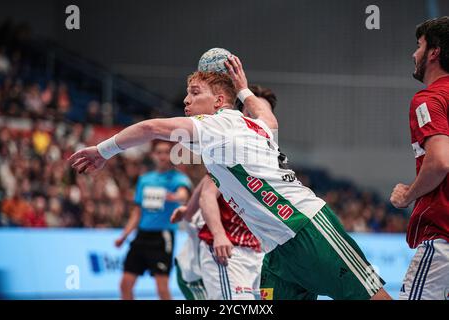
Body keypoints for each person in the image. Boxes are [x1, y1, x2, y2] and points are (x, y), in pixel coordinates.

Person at [69, 55, 390, 300]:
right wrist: (244, 88)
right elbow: (267, 116)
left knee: (372, 296)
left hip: (307, 227)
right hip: (277, 251)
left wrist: (103, 151)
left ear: (219, 102)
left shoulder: (218, 126)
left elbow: (150, 127)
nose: (186, 101)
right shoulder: (256, 126)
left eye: (194, 93)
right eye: (187, 94)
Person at [172, 84, 278, 300]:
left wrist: (188, 210)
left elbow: (206, 183)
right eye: (251, 113)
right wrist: (218, 234)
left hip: (253, 251)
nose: (257, 118)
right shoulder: (232, 146)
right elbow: (208, 192)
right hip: (221, 250)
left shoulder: (265, 153)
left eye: (261, 113)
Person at [390, 16, 449, 300]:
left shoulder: (429, 99)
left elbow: (439, 162)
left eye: (419, 45)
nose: (414, 54)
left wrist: (407, 195)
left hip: (443, 236)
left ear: (434, 52)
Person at [114, 140, 191, 300]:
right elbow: (137, 212)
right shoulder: (145, 180)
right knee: (125, 285)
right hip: (141, 237)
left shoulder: (177, 178)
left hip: (162, 238)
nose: (162, 156)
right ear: (153, 155)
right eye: (159, 152)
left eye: (166, 152)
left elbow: (183, 194)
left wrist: (174, 197)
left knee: (162, 289)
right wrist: (124, 236)